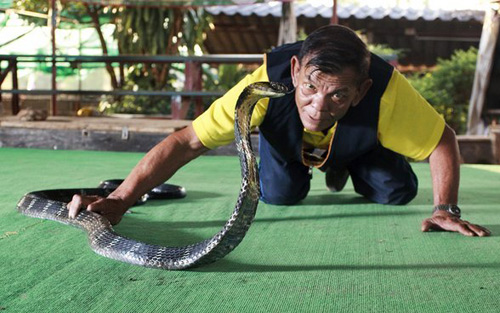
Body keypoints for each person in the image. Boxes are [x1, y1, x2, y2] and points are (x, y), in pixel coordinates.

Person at [68, 25, 490, 237]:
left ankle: (349, 163)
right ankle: (316, 164)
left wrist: (445, 209)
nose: (317, 106)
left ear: (361, 90)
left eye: (337, 96)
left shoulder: (387, 92)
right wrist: (122, 198)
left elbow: (442, 141)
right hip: (288, 148)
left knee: (397, 192)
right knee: (281, 195)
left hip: (361, 145)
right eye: (309, 88)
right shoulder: (261, 85)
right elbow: (187, 141)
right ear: (294, 71)